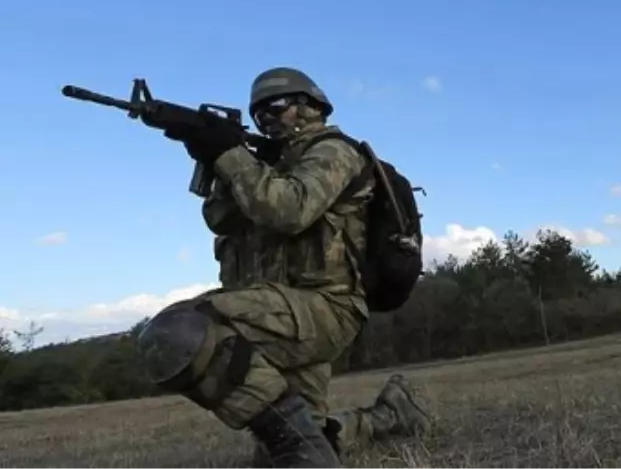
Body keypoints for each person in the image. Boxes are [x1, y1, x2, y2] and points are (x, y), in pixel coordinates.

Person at [133, 67, 427, 468]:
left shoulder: (334, 151)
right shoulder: (265, 166)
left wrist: (229, 154)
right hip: (282, 311)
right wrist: (214, 154)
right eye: (258, 113)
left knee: (177, 332)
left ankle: (304, 450)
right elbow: (222, 219)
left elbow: (289, 209)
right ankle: (390, 416)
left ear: (311, 106)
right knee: (289, 448)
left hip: (325, 307)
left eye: (276, 105)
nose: (267, 118)